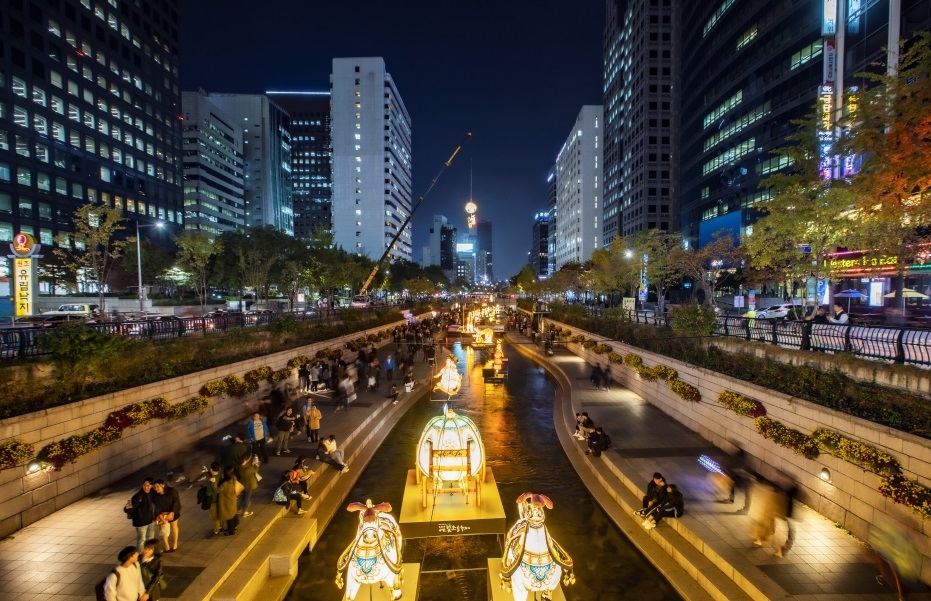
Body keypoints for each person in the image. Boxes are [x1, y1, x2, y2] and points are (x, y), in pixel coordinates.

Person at [124, 478, 156, 553]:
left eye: (148, 485)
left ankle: (150, 553)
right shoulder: (138, 496)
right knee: (141, 540)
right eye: (144, 485)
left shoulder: (152, 494)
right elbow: (131, 509)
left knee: (150, 538)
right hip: (141, 522)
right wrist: (126, 508)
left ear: (151, 486)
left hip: (150, 520)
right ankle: (140, 555)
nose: (146, 487)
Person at [152, 480, 181, 553]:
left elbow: (176, 501)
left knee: (174, 527)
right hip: (162, 514)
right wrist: (162, 518)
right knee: (164, 530)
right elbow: (157, 507)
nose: (156, 488)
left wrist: (172, 512)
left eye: (157, 486)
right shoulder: (156, 495)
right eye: (154, 487)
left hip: (173, 512)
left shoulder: (172, 491)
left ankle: (175, 544)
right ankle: (166, 545)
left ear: (163, 485)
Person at [217, 466, 240, 535]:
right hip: (232, 499)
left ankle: (231, 531)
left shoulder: (224, 483)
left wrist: (213, 483)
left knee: (229, 516)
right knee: (233, 513)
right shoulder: (233, 478)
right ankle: (235, 525)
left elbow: (217, 490)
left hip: (226, 502)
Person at [205, 463, 223, 536]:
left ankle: (216, 530)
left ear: (211, 469)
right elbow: (214, 475)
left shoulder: (211, 481)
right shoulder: (220, 476)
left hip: (213, 500)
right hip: (220, 499)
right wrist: (208, 472)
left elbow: (209, 492)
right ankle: (221, 526)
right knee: (219, 514)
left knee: (214, 517)